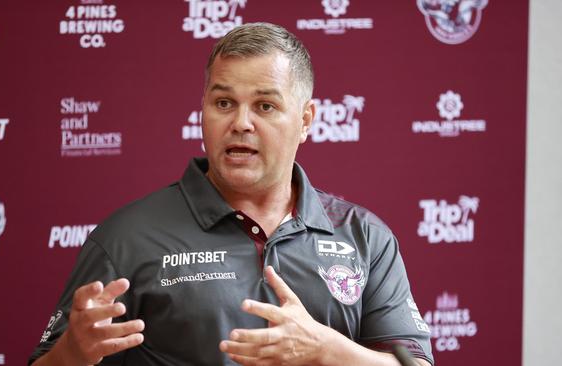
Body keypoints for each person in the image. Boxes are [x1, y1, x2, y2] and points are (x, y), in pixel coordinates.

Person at [29, 22, 434, 366]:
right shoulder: (125, 239)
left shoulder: (365, 237)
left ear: (306, 120)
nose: (241, 123)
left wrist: (328, 350)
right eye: (224, 103)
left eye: (265, 106)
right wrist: (71, 353)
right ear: (203, 109)